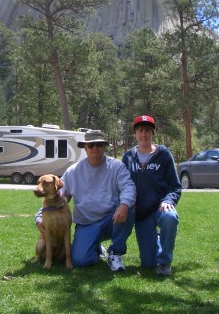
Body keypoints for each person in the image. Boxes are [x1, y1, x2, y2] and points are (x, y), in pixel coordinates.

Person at [35, 129, 136, 271]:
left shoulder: (116, 166)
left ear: (104, 147)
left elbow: (129, 187)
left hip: (110, 219)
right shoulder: (74, 171)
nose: (95, 148)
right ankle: (94, 247)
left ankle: (115, 253)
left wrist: (125, 204)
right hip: (86, 224)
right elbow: (57, 195)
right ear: (85, 148)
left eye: (99, 145)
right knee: (81, 260)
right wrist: (39, 216)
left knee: (129, 207)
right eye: (91, 145)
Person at [122, 115, 181, 276]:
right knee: (148, 263)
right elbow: (122, 184)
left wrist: (169, 200)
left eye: (147, 130)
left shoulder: (163, 154)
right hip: (142, 213)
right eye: (140, 130)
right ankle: (156, 239)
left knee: (170, 217)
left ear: (153, 133)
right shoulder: (128, 157)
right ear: (135, 133)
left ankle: (165, 262)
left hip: (160, 208)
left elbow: (175, 186)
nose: (144, 134)